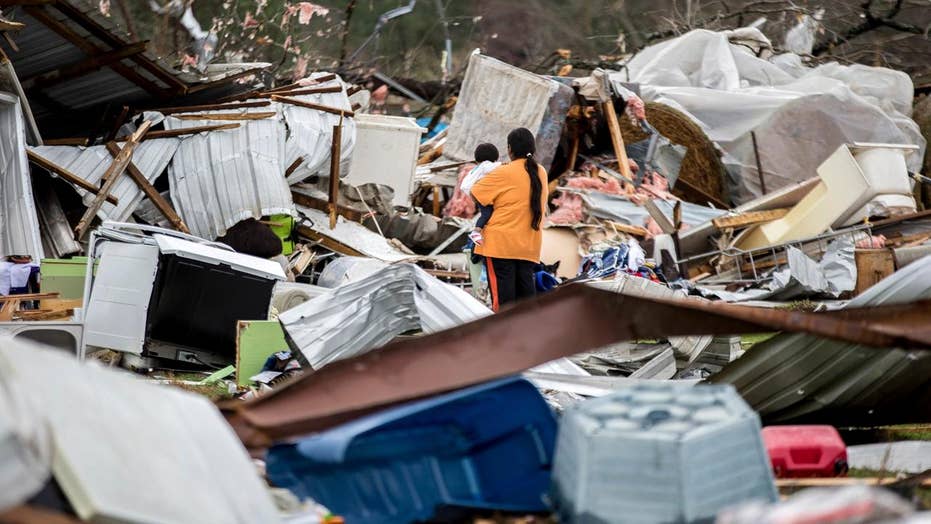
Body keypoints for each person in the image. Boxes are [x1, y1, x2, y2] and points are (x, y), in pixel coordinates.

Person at [470, 128, 547, 311]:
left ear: (510, 149)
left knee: (504, 302)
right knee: (526, 301)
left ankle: (504, 337)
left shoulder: (503, 172)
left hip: (500, 246)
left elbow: (476, 193)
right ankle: (527, 336)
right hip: (528, 246)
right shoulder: (541, 172)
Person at [459, 143, 501, 246]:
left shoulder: (477, 168)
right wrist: (505, 165)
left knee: (485, 214)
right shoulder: (486, 165)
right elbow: (495, 167)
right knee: (487, 214)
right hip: (479, 193)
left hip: (473, 193)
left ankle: (478, 232)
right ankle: (476, 232)